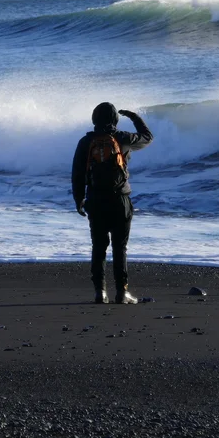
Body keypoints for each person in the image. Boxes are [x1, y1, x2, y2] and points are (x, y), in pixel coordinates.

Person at [71, 102, 153, 304]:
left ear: (94, 119)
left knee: (98, 247)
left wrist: (79, 199)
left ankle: (100, 292)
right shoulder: (123, 138)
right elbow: (147, 137)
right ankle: (122, 292)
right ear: (115, 120)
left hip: (95, 200)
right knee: (119, 247)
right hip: (120, 200)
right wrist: (134, 117)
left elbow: (77, 174)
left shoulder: (85, 142)